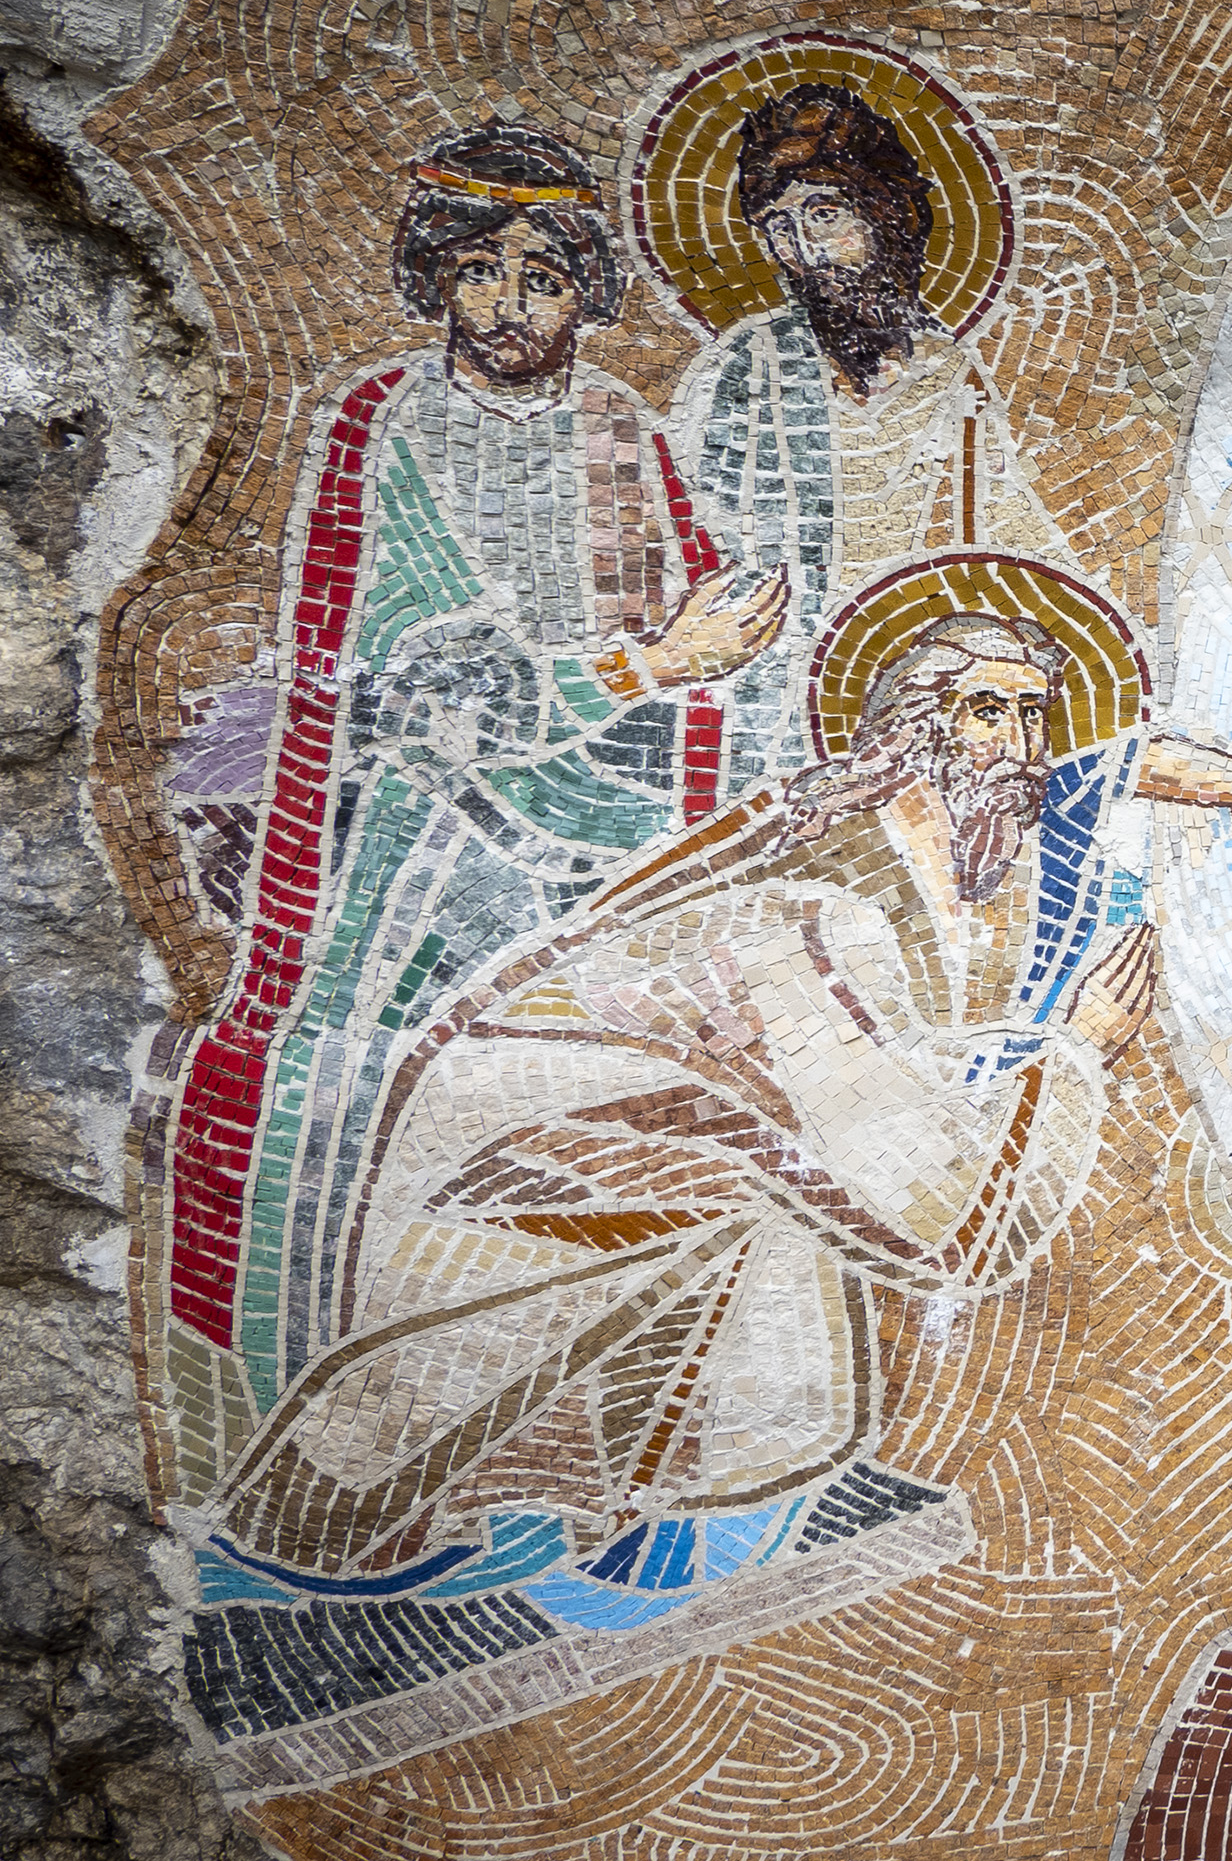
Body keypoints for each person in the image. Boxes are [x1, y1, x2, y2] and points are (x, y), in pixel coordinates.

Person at [216, 611, 1232, 1581]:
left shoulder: (975, 823)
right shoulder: (828, 890)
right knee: (794, 1190)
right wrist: (1072, 1053)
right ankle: (340, 1495)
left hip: (684, 1118)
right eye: (989, 712)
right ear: (918, 728)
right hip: (516, 1139)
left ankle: (667, 1510)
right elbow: (946, 1218)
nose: (1021, 743)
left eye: (1034, 711)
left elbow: (1119, 765)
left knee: (773, 1185)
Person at [160, 120, 790, 1421]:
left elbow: (683, 653)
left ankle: (547, 1434)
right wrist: (658, 666)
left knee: (608, 1119)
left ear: (586, 292)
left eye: (545, 277)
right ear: (434, 275)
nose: (510, 305)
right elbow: (424, 686)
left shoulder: (622, 428)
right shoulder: (385, 428)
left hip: (600, 851)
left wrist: (723, 662)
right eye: (482, 271)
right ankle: (322, 1418)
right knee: (356, 1090)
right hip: (424, 850)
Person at [674, 82, 1078, 795]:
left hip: (917, 678)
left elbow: (1009, 533)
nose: (804, 252)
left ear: (884, 212)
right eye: (778, 227)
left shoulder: (948, 372)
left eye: (825, 215)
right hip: (777, 696)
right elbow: (700, 538)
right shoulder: (751, 366)